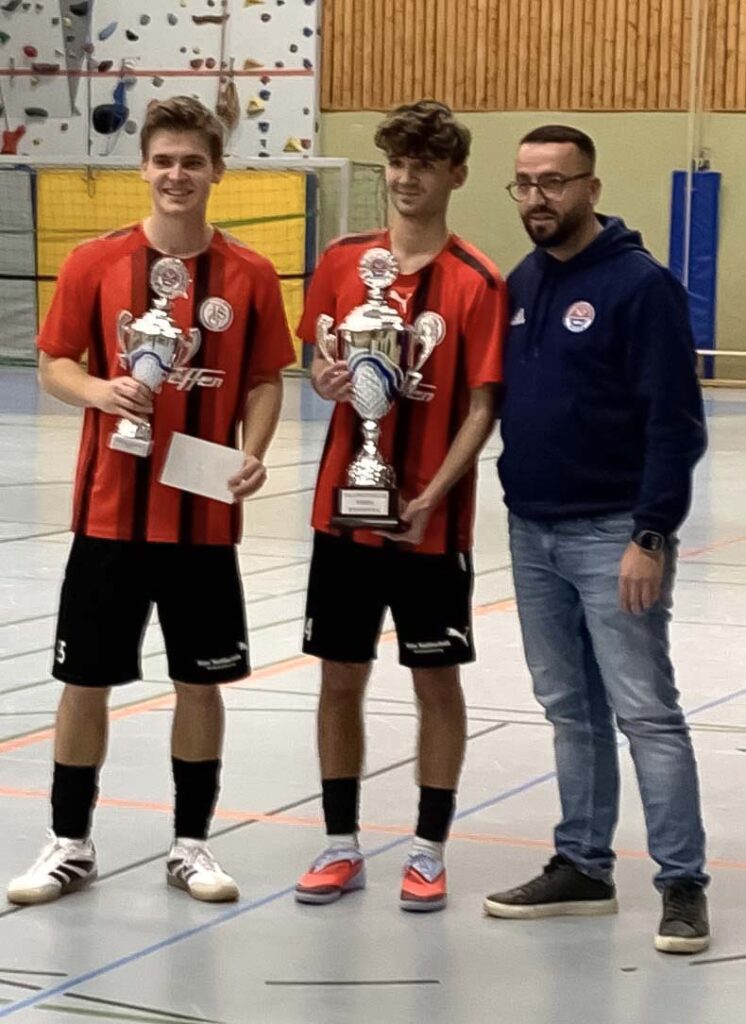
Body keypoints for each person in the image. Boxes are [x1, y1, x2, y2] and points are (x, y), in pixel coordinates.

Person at [7, 96, 296, 906]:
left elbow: (269, 376)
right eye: (164, 160)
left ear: (217, 172)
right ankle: (69, 842)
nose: (177, 174)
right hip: (109, 515)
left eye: (192, 162)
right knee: (84, 682)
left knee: (198, 683)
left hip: (202, 518)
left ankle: (192, 845)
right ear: (143, 166)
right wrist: (103, 390)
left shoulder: (250, 274)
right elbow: (55, 362)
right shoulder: (94, 262)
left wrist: (254, 450)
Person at [483, 125, 710, 954]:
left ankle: (681, 884)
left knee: (646, 711)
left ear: (591, 188)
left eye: (553, 182)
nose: (537, 198)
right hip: (531, 531)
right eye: (524, 183)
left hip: (616, 532)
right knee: (569, 710)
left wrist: (650, 534)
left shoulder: (640, 286)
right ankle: (582, 864)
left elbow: (675, 426)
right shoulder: (520, 284)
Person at [293, 100, 506, 912]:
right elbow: (323, 360)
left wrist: (430, 495)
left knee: (435, 684)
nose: (407, 177)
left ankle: (427, 848)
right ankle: (340, 843)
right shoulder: (344, 262)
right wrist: (323, 378)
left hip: (430, 521)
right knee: (339, 678)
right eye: (397, 161)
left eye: (425, 163)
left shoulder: (479, 280)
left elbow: (484, 406)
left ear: (455, 174)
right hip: (341, 514)